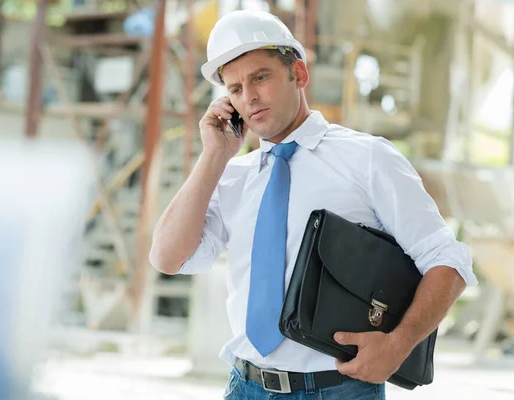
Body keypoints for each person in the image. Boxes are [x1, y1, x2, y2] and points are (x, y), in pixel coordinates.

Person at [149, 10, 477, 400]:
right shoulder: (232, 177)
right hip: (245, 387)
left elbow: (448, 260)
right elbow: (168, 258)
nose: (249, 96)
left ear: (299, 75)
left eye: (260, 77)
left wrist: (398, 344)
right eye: (234, 89)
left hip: (337, 389)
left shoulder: (367, 158)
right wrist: (213, 156)